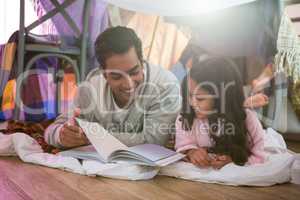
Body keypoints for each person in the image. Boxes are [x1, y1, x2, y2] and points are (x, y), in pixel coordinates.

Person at [45, 26, 181, 149]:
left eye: (134, 72)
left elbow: (154, 141)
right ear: (104, 74)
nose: (128, 84)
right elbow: (53, 129)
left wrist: (93, 137)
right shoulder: (92, 85)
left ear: (142, 62)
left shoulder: (165, 85)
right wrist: (62, 136)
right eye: (117, 77)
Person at [175, 57, 265, 169]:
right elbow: (183, 144)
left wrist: (234, 162)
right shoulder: (186, 116)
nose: (192, 103)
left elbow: (260, 156)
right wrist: (191, 151)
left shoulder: (247, 119)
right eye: (189, 95)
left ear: (223, 99)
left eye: (200, 99)